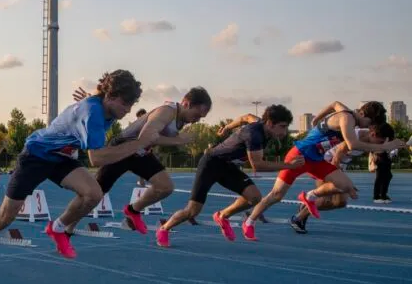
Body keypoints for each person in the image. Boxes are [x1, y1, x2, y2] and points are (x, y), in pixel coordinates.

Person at [0, 70, 144, 273]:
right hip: (36, 155)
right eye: (125, 104)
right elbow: (96, 158)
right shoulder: (93, 113)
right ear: (110, 97)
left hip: (59, 157)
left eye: (131, 105)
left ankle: (57, 228)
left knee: (94, 193)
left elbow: (94, 102)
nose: (127, 110)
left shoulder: (104, 106)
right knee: (5, 217)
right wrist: (138, 144)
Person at [246, 101, 406, 240]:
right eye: (368, 122)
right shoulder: (347, 118)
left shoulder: (347, 112)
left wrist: (317, 118)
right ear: (362, 113)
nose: (367, 127)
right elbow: (352, 145)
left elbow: (334, 103)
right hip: (300, 156)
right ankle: (250, 222)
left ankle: (309, 196)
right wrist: (384, 147)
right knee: (276, 195)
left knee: (346, 186)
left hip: (317, 159)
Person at [155, 105, 302, 247]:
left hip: (227, 166)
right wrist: (289, 165)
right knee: (192, 210)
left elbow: (246, 117)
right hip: (210, 164)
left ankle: (222, 216)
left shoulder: (259, 123)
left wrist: (227, 127)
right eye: (282, 126)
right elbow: (258, 165)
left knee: (255, 197)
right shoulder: (254, 134)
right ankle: (164, 229)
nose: (284, 132)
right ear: (270, 123)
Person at [74, 87, 211, 235]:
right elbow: (146, 137)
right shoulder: (167, 111)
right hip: (123, 149)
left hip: (140, 153)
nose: (197, 120)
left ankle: (133, 210)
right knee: (95, 194)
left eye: (201, 118)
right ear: (186, 103)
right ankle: (66, 225)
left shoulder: (182, 118)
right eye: (197, 115)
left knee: (165, 187)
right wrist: (178, 140)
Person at [289, 123, 395, 234]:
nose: (381, 146)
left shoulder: (369, 138)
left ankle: (306, 204)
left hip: (336, 167)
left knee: (340, 202)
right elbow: (335, 160)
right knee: (326, 200)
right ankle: (297, 219)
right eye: (381, 142)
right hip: (322, 163)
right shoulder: (354, 137)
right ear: (373, 134)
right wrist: (345, 183)